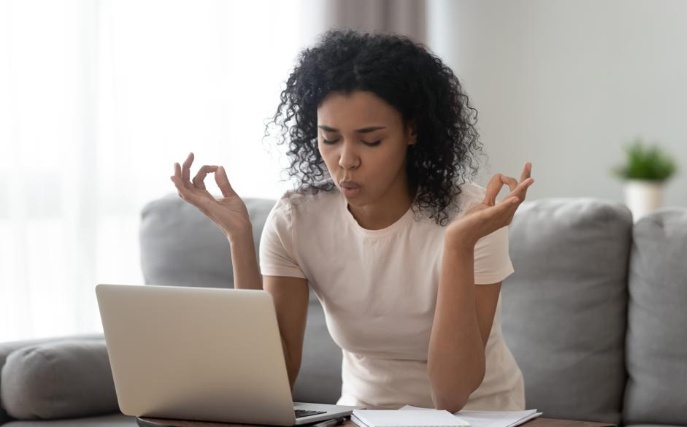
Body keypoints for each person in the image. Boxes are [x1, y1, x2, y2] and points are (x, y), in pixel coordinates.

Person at [170, 29, 534, 413]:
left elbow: (451, 395)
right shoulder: (297, 220)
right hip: (360, 416)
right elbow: (268, 380)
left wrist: (458, 246)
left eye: (370, 140)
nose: (346, 160)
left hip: (481, 417)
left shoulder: (473, 216)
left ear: (411, 131)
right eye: (330, 138)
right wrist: (239, 239)